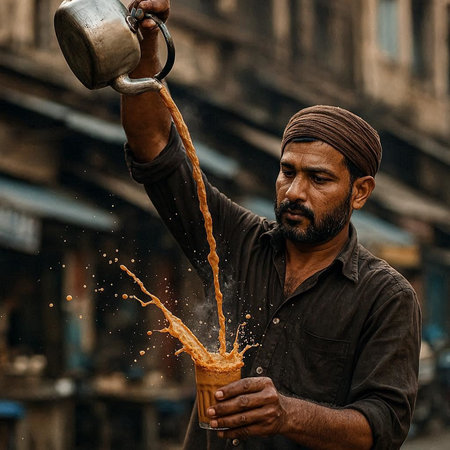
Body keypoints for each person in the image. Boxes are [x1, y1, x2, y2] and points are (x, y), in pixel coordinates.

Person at [122, 2, 421, 449]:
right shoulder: (236, 241)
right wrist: (147, 41)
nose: (295, 191)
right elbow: (155, 149)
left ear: (360, 192)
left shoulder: (387, 297)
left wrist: (288, 414)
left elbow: (383, 427)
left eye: (319, 178)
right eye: (288, 171)